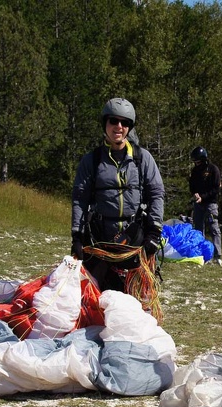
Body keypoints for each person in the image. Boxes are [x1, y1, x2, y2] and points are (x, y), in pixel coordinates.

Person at [71, 97, 165, 293]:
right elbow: (80, 198)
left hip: (135, 240)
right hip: (100, 240)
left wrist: (154, 233)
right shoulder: (92, 160)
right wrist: (77, 237)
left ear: (130, 127)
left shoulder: (142, 159)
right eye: (113, 121)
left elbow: (156, 194)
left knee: (136, 298)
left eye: (125, 123)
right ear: (105, 123)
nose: (118, 127)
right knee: (97, 297)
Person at [189, 146, 222, 265]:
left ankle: (218, 255)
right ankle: (200, 254)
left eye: (197, 161)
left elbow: (216, 188)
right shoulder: (195, 171)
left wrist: (204, 196)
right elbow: (192, 185)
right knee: (198, 229)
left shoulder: (213, 170)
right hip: (198, 204)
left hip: (211, 204)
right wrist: (195, 194)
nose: (196, 163)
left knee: (214, 228)